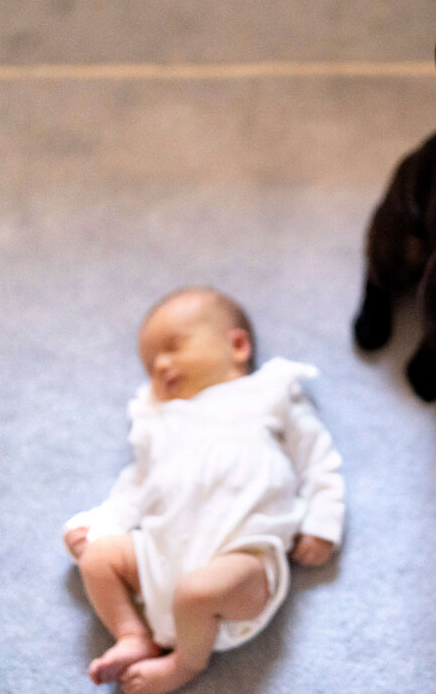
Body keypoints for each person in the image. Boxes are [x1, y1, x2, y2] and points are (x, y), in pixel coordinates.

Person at [62, 286, 345, 694]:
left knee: (197, 591)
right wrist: (99, 525)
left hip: (241, 563)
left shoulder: (270, 393)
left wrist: (324, 520)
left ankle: (185, 663)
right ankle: (132, 635)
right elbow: (135, 487)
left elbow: (318, 459)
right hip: (160, 557)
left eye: (174, 347)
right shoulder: (161, 422)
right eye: (149, 364)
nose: (160, 365)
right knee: (97, 560)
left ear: (238, 345)